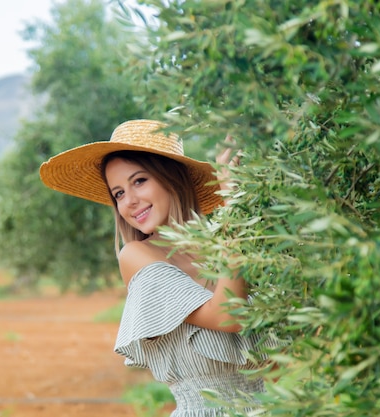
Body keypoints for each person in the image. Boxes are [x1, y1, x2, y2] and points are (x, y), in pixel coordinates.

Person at [40, 119, 276, 416]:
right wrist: (232, 206)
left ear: (172, 179)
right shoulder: (137, 255)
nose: (130, 201)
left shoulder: (226, 246)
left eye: (139, 181)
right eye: (119, 193)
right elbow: (228, 315)